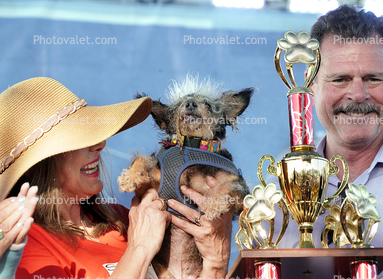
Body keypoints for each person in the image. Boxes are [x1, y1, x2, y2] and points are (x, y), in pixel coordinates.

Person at [0, 77, 232, 279]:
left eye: (96, 136)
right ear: (36, 166)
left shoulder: (126, 219)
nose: (100, 144)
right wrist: (139, 248)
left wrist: (215, 266)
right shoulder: (25, 243)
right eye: (78, 141)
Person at [271, 4, 383, 278]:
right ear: (310, 85)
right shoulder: (274, 193)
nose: (358, 94)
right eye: (340, 79)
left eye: (373, 78)